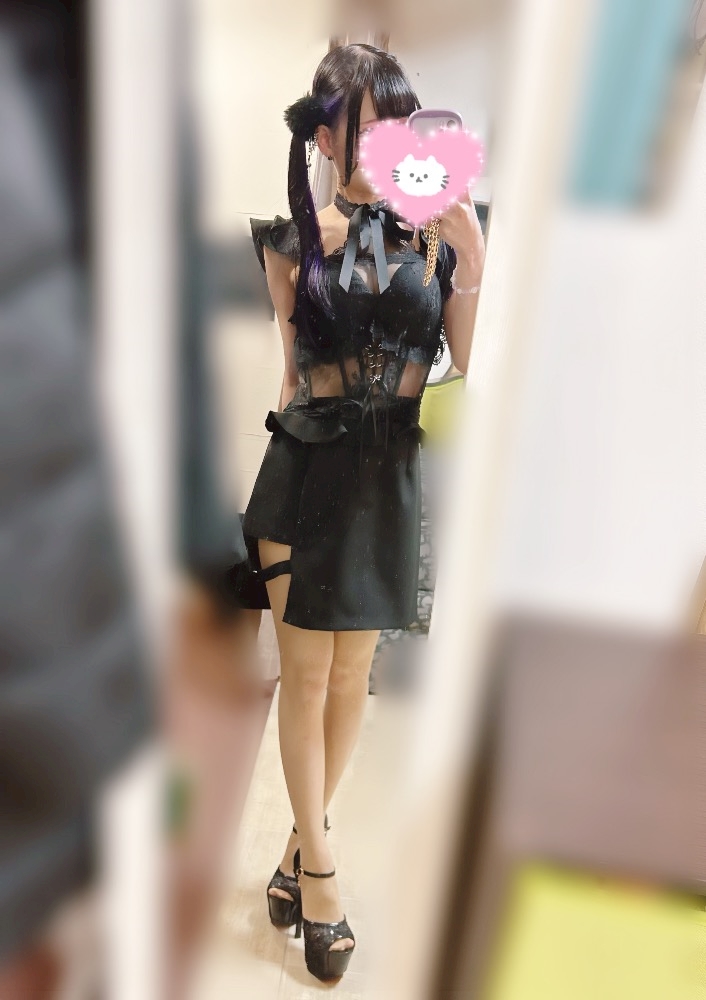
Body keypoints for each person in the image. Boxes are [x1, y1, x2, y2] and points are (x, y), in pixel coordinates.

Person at [238, 42, 485, 982]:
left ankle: (297, 852)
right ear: (325, 134)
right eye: (365, 125)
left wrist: (472, 254)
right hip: (305, 475)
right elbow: (293, 377)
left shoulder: (436, 236)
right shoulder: (290, 241)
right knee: (306, 683)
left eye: (396, 124)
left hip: (389, 479)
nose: (384, 142)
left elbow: (465, 362)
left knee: (352, 682)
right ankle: (323, 876)